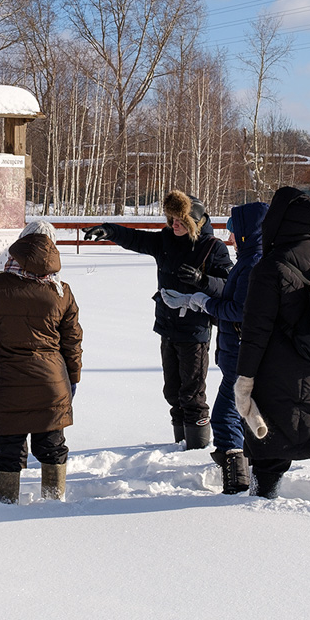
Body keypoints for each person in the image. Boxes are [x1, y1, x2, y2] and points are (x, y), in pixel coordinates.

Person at [231, 186, 310, 506]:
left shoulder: (268, 268)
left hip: (277, 386)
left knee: (268, 460)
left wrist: (244, 381)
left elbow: (255, 334)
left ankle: (261, 512)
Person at [82, 190, 232, 449]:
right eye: (171, 219)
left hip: (194, 331)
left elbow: (228, 287)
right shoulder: (166, 240)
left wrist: (202, 281)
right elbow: (136, 238)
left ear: (195, 221)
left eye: (180, 220)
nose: (174, 224)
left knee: (192, 394)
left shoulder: (212, 248)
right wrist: (110, 230)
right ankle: (180, 444)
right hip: (168, 327)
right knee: (173, 392)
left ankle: (195, 451)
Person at [0, 220, 83, 504]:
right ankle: (54, 501)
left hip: (8, 383)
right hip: (52, 382)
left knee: (8, 447)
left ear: (19, 246)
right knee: (53, 445)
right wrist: (73, 377)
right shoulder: (61, 290)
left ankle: (6, 503)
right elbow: (72, 341)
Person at [161, 201, 268, 494]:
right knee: (245, 416)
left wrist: (202, 301)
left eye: (234, 231)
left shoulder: (251, 264)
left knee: (225, 416)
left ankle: (237, 483)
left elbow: (240, 309)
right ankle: (253, 475)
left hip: (242, 354)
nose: (229, 237)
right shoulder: (249, 261)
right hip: (237, 351)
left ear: (247, 233)